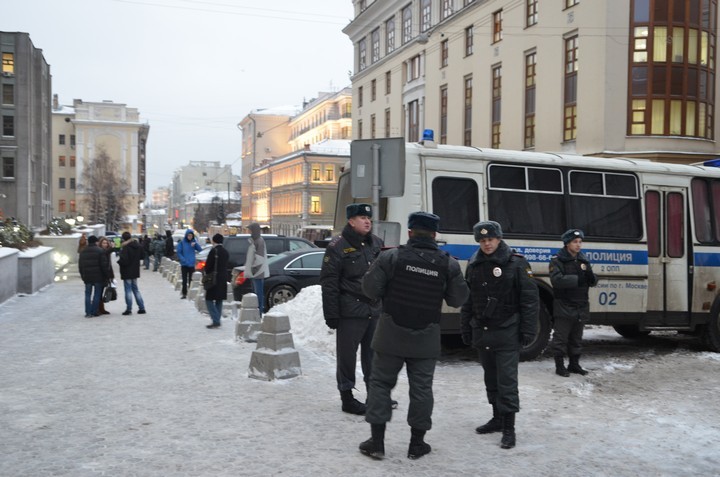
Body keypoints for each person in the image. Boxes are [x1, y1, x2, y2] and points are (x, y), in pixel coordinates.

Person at [359, 212, 469, 460]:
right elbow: (459, 299)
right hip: (426, 337)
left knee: (380, 385)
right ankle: (416, 445)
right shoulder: (447, 263)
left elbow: (369, 289)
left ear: (410, 232)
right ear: (434, 234)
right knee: (421, 390)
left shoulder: (391, 257)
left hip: (390, 335)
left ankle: (377, 443)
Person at [460, 220, 539, 450]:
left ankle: (509, 428)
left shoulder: (517, 264)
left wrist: (528, 329)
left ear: (499, 239)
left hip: (507, 330)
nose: (487, 244)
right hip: (483, 332)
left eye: (490, 239)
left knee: (507, 381)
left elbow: (530, 300)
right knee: (491, 378)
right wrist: (465, 327)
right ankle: (496, 418)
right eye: (482, 240)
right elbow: (468, 300)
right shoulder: (473, 265)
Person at [320, 203, 384, 415]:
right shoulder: (337, 246)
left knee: (373, 357)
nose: (367, 221)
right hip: (350, 310)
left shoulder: (376, 243)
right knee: (347, 357)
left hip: (373, 310)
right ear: (351, 221)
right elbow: (329, 282)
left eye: (369, 218)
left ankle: (374, 396)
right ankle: (347, 398)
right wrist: (331, 314)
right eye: (362, 218)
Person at [549, 229, 598, 377]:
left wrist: (592, 278)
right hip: (564, 305)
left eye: (580, 242)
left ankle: (574, 364)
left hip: (581, 305)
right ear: (567, 244)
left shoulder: (583, 259)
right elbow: (556, 280)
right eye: (575, 242)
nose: (578, 245)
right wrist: (578, 280)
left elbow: (591, 279)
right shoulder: (557, 260)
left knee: (577, 338)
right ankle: (559, 366)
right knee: (561, 338)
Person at [78, 235, 110, 318]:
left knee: (87, 294)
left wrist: (82, 275)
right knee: (97, 294)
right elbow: (104, 265)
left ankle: (88, 312)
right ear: (96, 242)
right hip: (98, 277)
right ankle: (94, 311)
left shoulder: (83, 251)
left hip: (87, 276)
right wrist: (107, 276)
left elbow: (80, 266)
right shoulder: (100, 251)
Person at [204, 233, 230, 329]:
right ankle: (217, 320)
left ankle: (216, 320)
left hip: (213, 278)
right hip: (223, 278)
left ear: (214, 241)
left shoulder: (213, 251)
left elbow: (208, 266)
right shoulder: (225, 252)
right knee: (219, 299)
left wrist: (207, 273)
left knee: (209, 299)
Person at [117, 231, 146, 315]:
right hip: (135, 270)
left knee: (128, 290)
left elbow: (124, 260)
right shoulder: (138, 246)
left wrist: (119, 262)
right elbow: (142, 256)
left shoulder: (125, 247)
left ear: (123, 238)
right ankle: (142, 307)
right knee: (136, 289)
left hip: (127, 271)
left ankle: (129, 309)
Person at [244, 223, 269, 313]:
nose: (249, 232)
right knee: (255, 293)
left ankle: (259, 314)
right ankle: (256, 312)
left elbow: (259, 258)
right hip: (255, 272)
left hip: (257, 272)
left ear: (254, 230)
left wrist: (254, 270)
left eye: (250, 230)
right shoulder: (255, 241)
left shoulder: (259, 241)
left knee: (258, 294)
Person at [176, 229, 203, 299]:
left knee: (191, 279)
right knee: (184, 280)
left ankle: (190, 293)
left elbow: (200, 250)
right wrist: (183, 259)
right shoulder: (182, 243)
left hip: (191, 264)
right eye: (189, 235)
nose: (190, 237)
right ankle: (184, 293)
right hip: (184, 264)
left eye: (191, 236)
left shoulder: (193, 243)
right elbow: (179, 252)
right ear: (186, 236)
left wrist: (195, 243)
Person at [97, 236, 115, 315]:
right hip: (100, 274)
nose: (106, 244)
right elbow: (105, 254)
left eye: (106, 243)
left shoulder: (106, 251)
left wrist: (111, 275)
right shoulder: (100, 251)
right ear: (100, 244)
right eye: (104, 243)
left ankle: (101, 308)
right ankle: (98, 308)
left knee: (102, 291)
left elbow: (109, 265)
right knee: (99, 292)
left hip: (106, 274)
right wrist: (111, 248)